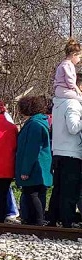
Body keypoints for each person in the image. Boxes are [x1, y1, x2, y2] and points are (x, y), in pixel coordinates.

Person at [49, 74, 82, 228]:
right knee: (70, 190)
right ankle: (67, 222)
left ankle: (53, 219)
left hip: (58, 150)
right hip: (72, 152)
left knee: (58, 189)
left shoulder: (58, 104)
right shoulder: (73, 104)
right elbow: (73, 127)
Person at [15, 96, 53, 226]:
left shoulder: (34, 125)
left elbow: (32, 149)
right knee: (37, 193)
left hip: (35, 167)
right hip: (40, 166)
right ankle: (34, 220)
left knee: (32, 193)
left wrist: (25, 170)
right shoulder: (39, 122)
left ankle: (38, 220)